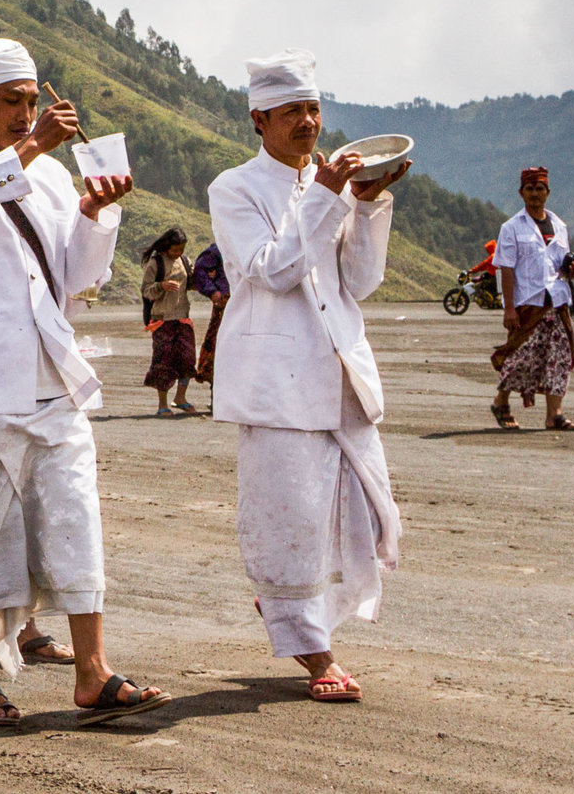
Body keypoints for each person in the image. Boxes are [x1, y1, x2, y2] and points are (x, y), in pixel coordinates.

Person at [0, 39, 160, 727]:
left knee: (75, 518)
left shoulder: (46, 178)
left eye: (31, 99)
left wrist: (96, 214)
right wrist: (30, 150)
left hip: (49, 376)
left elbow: (76, 280)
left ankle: (92, 671)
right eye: (10, 101)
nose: (25, 113)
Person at [207, 48, 408, 705]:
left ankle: (294, 612)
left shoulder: (329, 188)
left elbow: (358, 281)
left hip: (338, 370)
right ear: (259, 120)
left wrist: (369, 207)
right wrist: (327, 196)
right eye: (292, 110)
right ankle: (314, 648)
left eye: (315, 108)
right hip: (275, 380)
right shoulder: (234, 188)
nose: (308, 121)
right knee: (289, 515)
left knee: (361, 513)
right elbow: (272, 269)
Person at [490, 168, 574, 431]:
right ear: (522, 193)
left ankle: (554, 415)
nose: (535, 194)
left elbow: (559, 264)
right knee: (521, 357)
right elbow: (505, 268)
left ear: (548, 192)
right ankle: (501, 402)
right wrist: (508, 308)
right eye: (530, 189)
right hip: (527, 303)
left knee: (560, 356)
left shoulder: (559, 226)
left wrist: (571, 270)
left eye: (540, 188)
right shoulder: (511, 228)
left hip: (556, 302)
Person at [140, 229, 198, 416]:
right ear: (166, 247)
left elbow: (193, 282)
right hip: (162, 320)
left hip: (182, 317)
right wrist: (161, 286)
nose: (178, 253)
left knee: (187, 359)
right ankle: (162, 404)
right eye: (175, 250)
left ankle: (180, 397)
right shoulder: (155, 263)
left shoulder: (185, 262)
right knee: (163, 362)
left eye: (181, 249)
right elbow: (146, 290)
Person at [190, 244, 229, 388]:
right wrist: (212, 291)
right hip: (226, 303)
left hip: (249, 302)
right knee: (219, 344)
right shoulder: (221, 247)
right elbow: (200, 270)